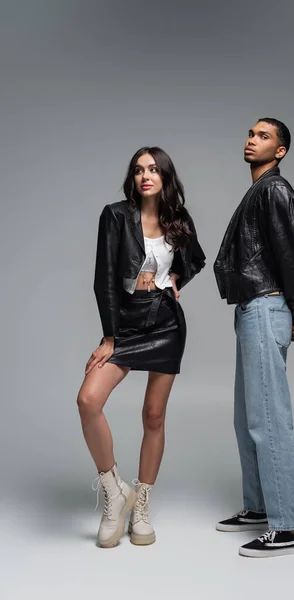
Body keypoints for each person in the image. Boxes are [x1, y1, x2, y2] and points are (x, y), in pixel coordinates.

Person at [77, 147, 205, 548]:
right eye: (138, 170)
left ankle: (143, 503)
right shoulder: (116, 215)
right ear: (132, 178)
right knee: (88, 400)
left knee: (153, 415)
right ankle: (115, 492)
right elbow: (104, 278)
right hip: (126, 322)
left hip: (166, 322)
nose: (145, 175)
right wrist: (110, 336)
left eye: (152, 169)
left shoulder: (178, 220)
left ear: (165, 175)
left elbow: (196, 259)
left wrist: (174, 281)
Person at [214, 118, 294, 558]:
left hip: (267, 304)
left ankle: (289, 528)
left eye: (264, 136)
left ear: (281, 150)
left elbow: (293, 252)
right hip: (252, 306)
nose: (252, 140)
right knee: (247, 418)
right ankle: (258, 507)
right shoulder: (260, 190)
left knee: (268, 418)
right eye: (251, 134)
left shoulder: (274, 189)